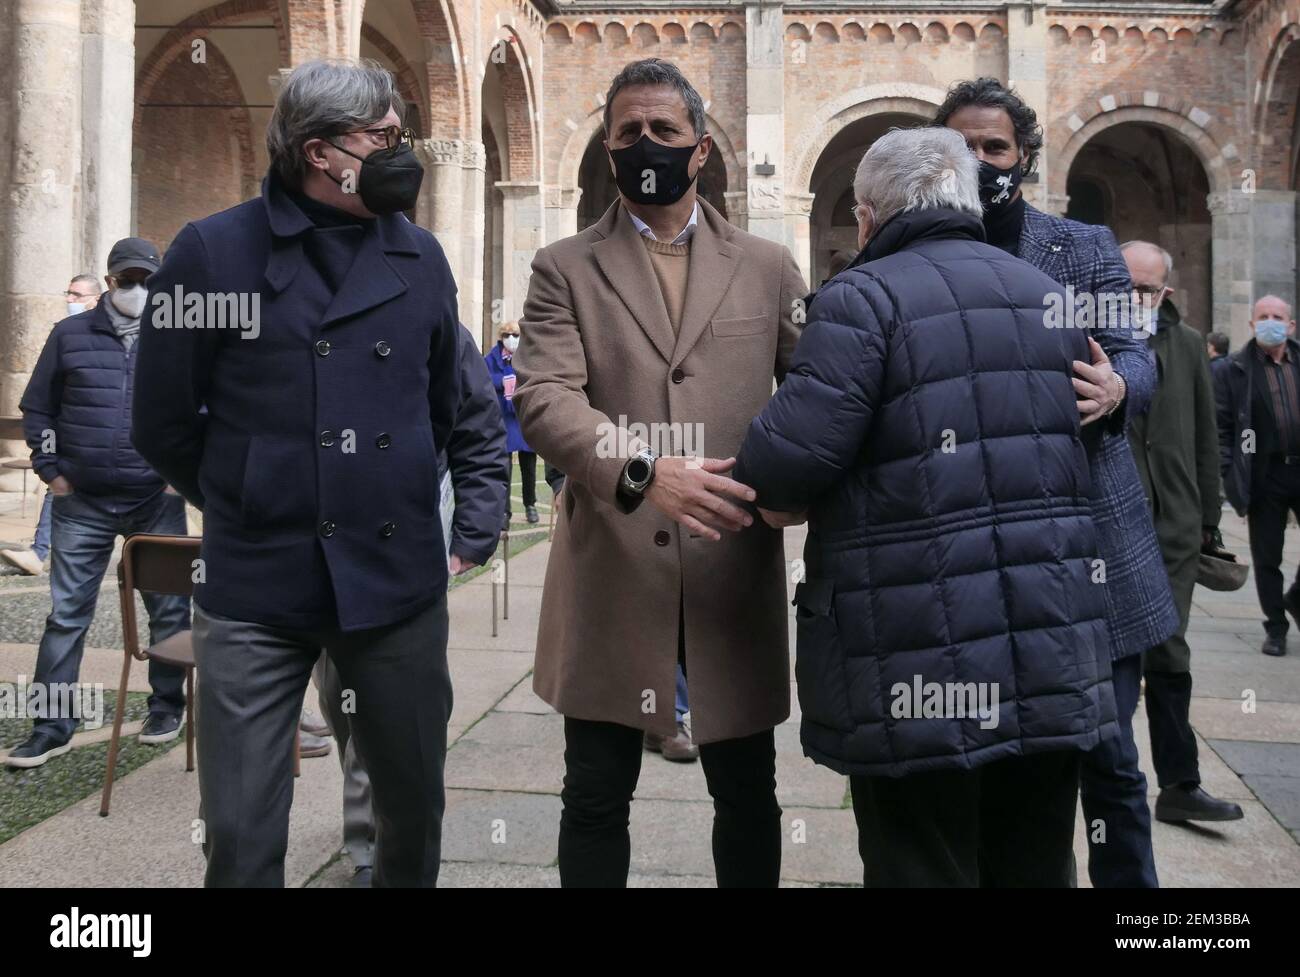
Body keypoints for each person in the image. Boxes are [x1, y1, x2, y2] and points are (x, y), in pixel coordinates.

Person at [734, 126, 1114, 888]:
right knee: (1034, 862)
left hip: (913, 652)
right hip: (1050, 646)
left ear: (868, 216)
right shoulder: (1047, 297)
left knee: (922, 862)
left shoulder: (861, 298)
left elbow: (785, 461)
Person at [132, 59, 461, 887]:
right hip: (255, 584)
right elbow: (161, 419)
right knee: (239, 830)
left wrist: (466, 515)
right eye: (384, 136)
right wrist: (251, 490)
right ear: (322, 153)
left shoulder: (420, 256)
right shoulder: (210, 252)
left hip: (394, 582)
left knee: (411, 808)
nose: (401, 151)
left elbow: (449, 407)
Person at [514, 58, 806, 888]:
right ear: (608, 151)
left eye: (664, 131)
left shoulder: (767, 266)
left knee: (748, 792)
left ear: (701, 149)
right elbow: (544, 399)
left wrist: (788, 492)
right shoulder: (564, 267)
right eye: (628, 132)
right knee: (597, 792)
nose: (647, 145)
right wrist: (642, 471)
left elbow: (818, 394)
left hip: (730, 567)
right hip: (614, 567)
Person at [314, 321, 508, 887]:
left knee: (395, 699)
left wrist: (474, 529)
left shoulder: (425, 299)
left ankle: (375, 842)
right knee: (338, 694)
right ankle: (372, 820)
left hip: (404, 528)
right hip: (303, 534)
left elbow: (477, 420)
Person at [4, 241, 189, 769]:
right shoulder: (70, 334)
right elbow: (37, 410)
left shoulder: (177, 338)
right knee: (65, 616)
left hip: (155, 500)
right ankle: (50, 726)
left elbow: (204, 407)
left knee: (170, 608)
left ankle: (166, 706)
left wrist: (181, 478)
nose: (137, 290)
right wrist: (51, 473)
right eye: (127, 280)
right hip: (81, 502)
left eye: (146, 280)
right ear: (109, 283)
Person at [1119, 241, 1242, 828]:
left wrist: (1208, 522)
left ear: (1165, 292)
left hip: (1174, 528)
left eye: (1148, 287)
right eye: (1128, 285)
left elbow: (1204, 437)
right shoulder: (1085, 339)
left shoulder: (1189, 346)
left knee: (1170, 653)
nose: (1138, 296)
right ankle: (1107, 779)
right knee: (1113, 662)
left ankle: (1180, 783)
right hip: (1113, 528)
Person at [1214, 295, 1300, 658]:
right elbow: (1222, 427)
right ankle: (1276, 627)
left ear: (1291, 325)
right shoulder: (1234, 369)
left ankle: (1295, 597)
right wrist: (1230, 476)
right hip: (1264, 475)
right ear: (1251, 324)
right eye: (1262, 316)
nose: (1270, 321)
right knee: (1268, 557)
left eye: (1277, 316)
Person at [1, 276, 103, 577]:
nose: (69, 299)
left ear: (95, 298)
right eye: (68, 293)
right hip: (72, 442)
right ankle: (41, 551)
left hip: (115, 447)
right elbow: (42, 396)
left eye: (77, 294)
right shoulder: (66, 333)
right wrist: (47, 460)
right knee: (57, 488)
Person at [485, 321, 538, 525]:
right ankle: (504, 512)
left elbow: (535, 376)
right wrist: (505, 381)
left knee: (529, 465)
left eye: (516, 334)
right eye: (508, 335)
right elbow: (484, 378)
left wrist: (515, 380)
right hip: (502, 418)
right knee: (503, 468)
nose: (512, 339)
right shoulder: (492, 357)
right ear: (501, 337)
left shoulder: (526, 355)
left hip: (522, 416)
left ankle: (530, 505)